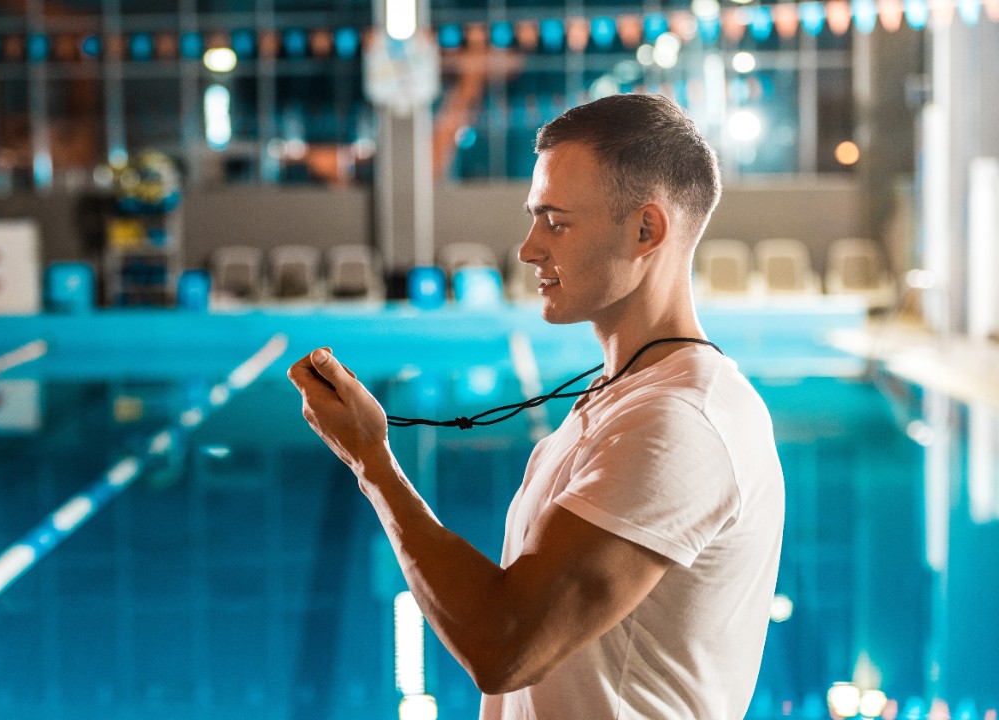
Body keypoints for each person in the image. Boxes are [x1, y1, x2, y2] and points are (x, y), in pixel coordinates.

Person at [287, 93, 784, 719]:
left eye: (556, 221)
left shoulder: (680, 422)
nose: (528, 248)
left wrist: (373, 465)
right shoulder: (619, 393)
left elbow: (506, 645)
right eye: (534, 217)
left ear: (645, 230)